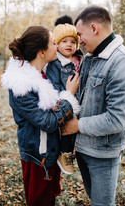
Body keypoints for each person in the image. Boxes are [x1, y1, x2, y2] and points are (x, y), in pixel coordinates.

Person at [61, 5, 125, 206]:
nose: (79, 40)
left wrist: (77, 126)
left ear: (95, 28)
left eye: (80, 34)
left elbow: (116, 120)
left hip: (102, 155)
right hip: (83, 148)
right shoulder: (90, 57)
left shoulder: (123, 63)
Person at [1, 26, 80, 206]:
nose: (57, 46)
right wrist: (68, 96)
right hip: (38, 157)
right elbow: (48, 122)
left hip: (50, 152)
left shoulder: (45, 74)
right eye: (53, 43)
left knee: (49, 199)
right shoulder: (21, 86)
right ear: (42, 52)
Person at [46, 23, 83, 175]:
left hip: (80, 100)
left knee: (78, 128)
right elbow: (53, 85)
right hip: (65, 101)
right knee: (68, 128)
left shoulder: (80, 59)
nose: (69, 44)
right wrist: (66, 95)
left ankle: (73, 151)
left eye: (73, 42)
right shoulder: (55, 64)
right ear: (56, 44)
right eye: (64, 41)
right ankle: (65, 153)